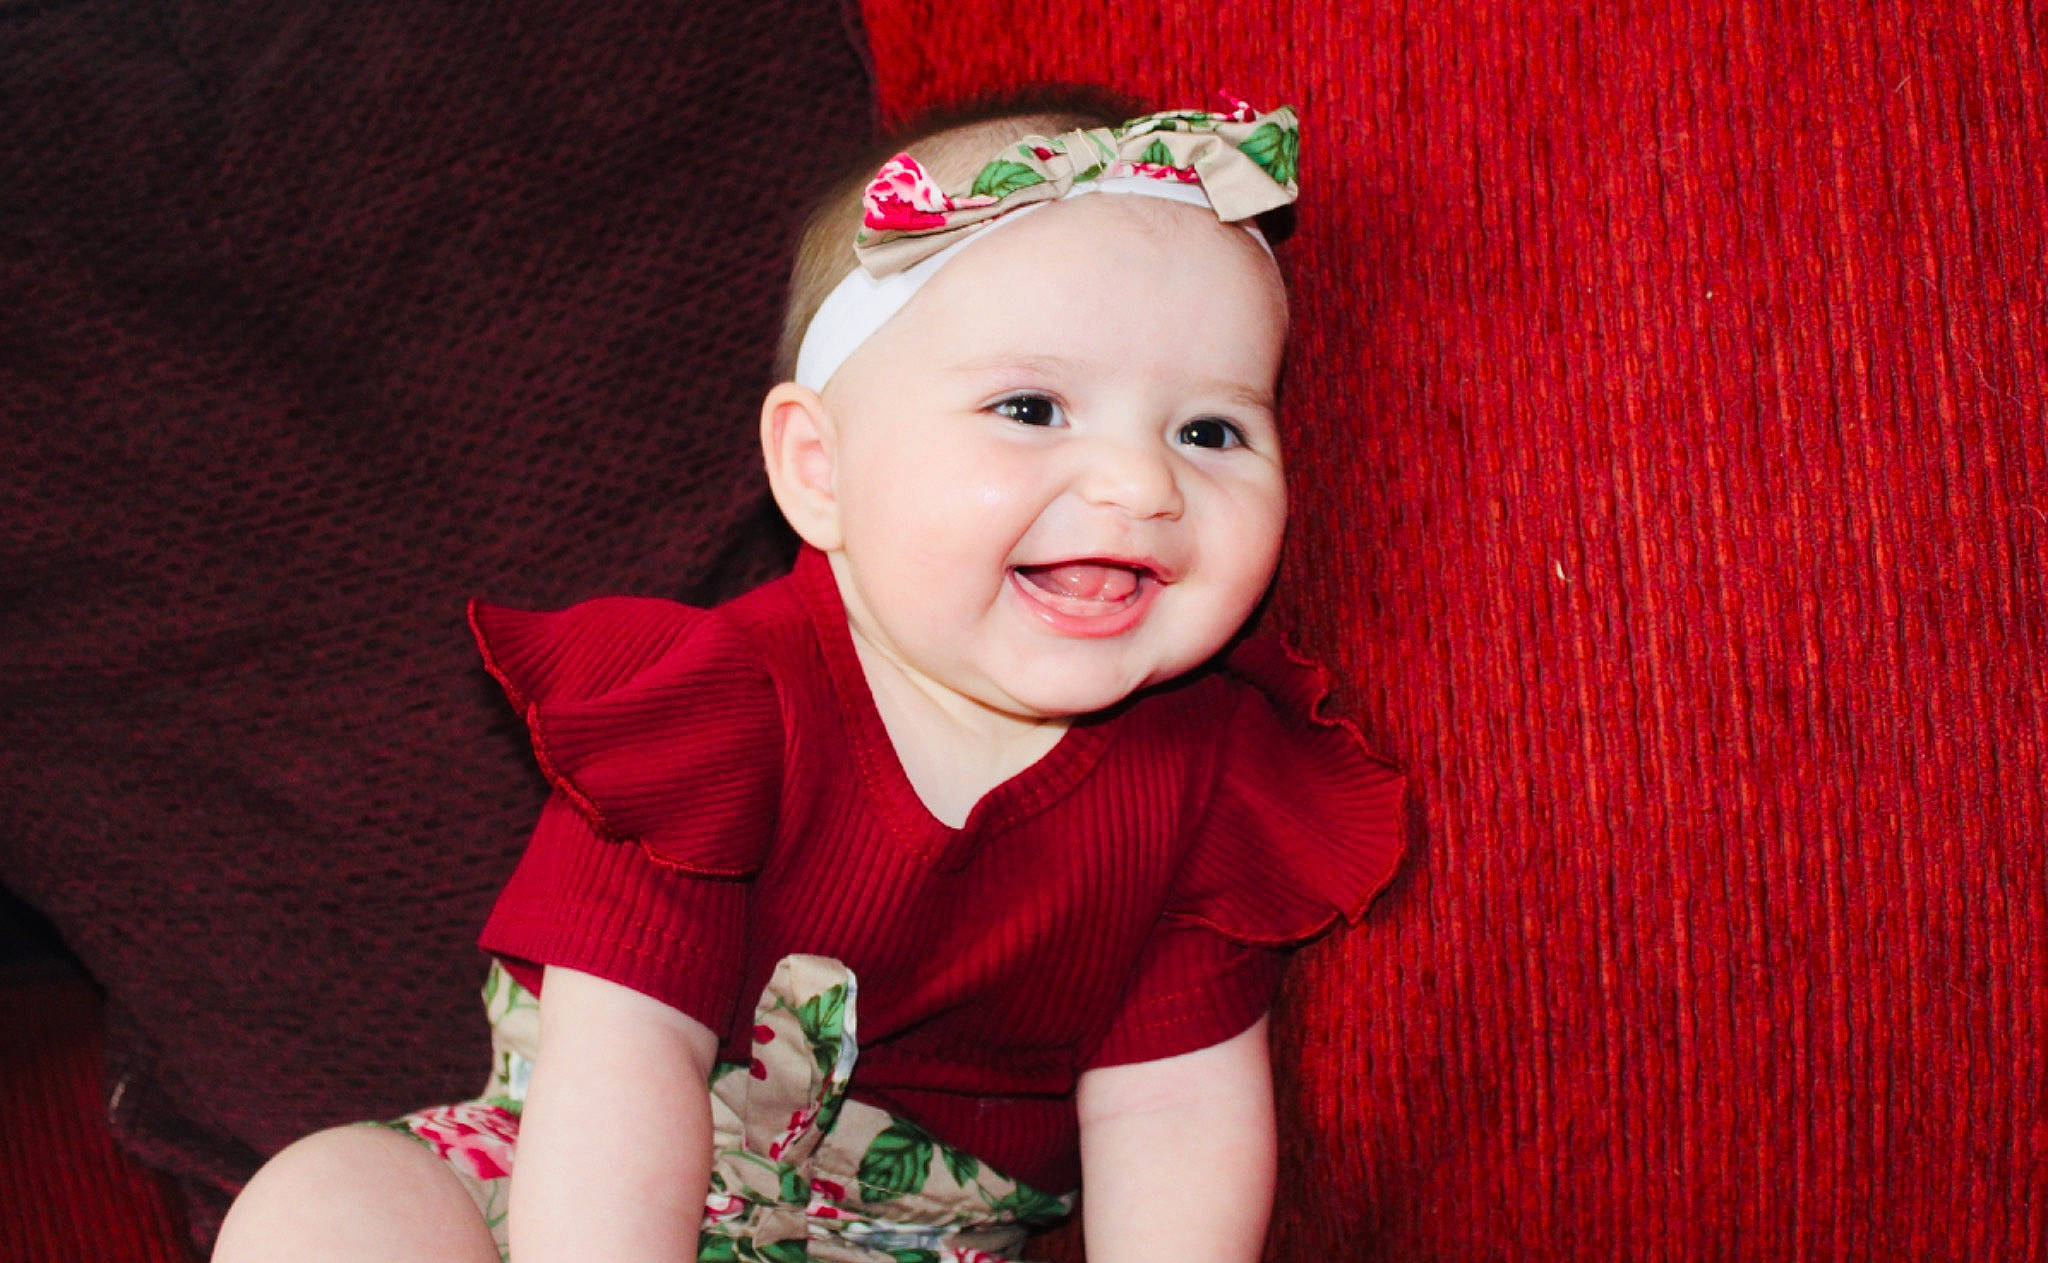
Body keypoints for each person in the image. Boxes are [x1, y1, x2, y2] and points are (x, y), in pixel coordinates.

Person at [213, 91, 1405, 1263]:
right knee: (325, 1206)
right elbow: (625, 1064)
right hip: (588, 1184)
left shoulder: (1213, 778)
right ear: (818, 470)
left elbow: (1172, 1112)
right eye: (1032, 408)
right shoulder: (716, 708)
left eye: (1210, 431)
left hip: (915, 1242)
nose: (1140, 485)